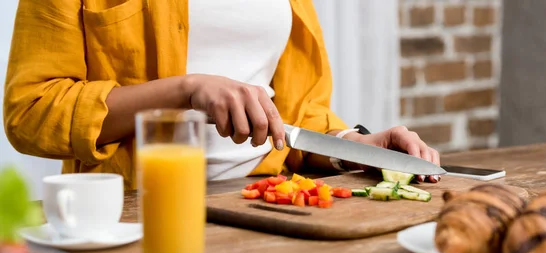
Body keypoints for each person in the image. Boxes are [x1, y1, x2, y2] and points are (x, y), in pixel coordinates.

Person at [3, 0, 440, 190]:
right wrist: (186, 90)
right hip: (135, 217)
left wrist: (354, 147)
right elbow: (31, 110)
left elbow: (295, 113)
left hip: (267, 207)